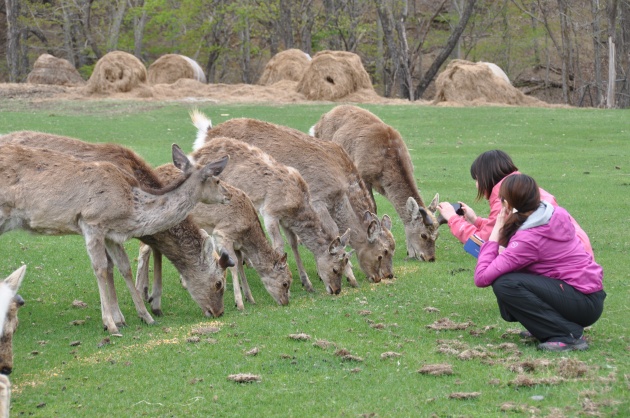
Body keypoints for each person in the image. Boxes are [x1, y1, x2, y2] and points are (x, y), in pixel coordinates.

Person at [474, 174, 605, 351]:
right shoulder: (553, 213)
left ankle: (567, 334)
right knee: (509, 276)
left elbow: (481, 278)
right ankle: (547, 327)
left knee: (505, 284)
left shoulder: (529, 238)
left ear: (507, 204)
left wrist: (497, 228)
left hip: (582, 301)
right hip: (588, 296)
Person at [437, 149, 593, 256]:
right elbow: (505, 229)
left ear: (486, 177)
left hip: (563, 267)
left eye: (477, 179)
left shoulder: (506, 197)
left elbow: (484, 244)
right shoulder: (520, 186)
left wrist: (453, 219)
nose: (477, 185)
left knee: (500, 269)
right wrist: (475, 221)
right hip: (577, 255)